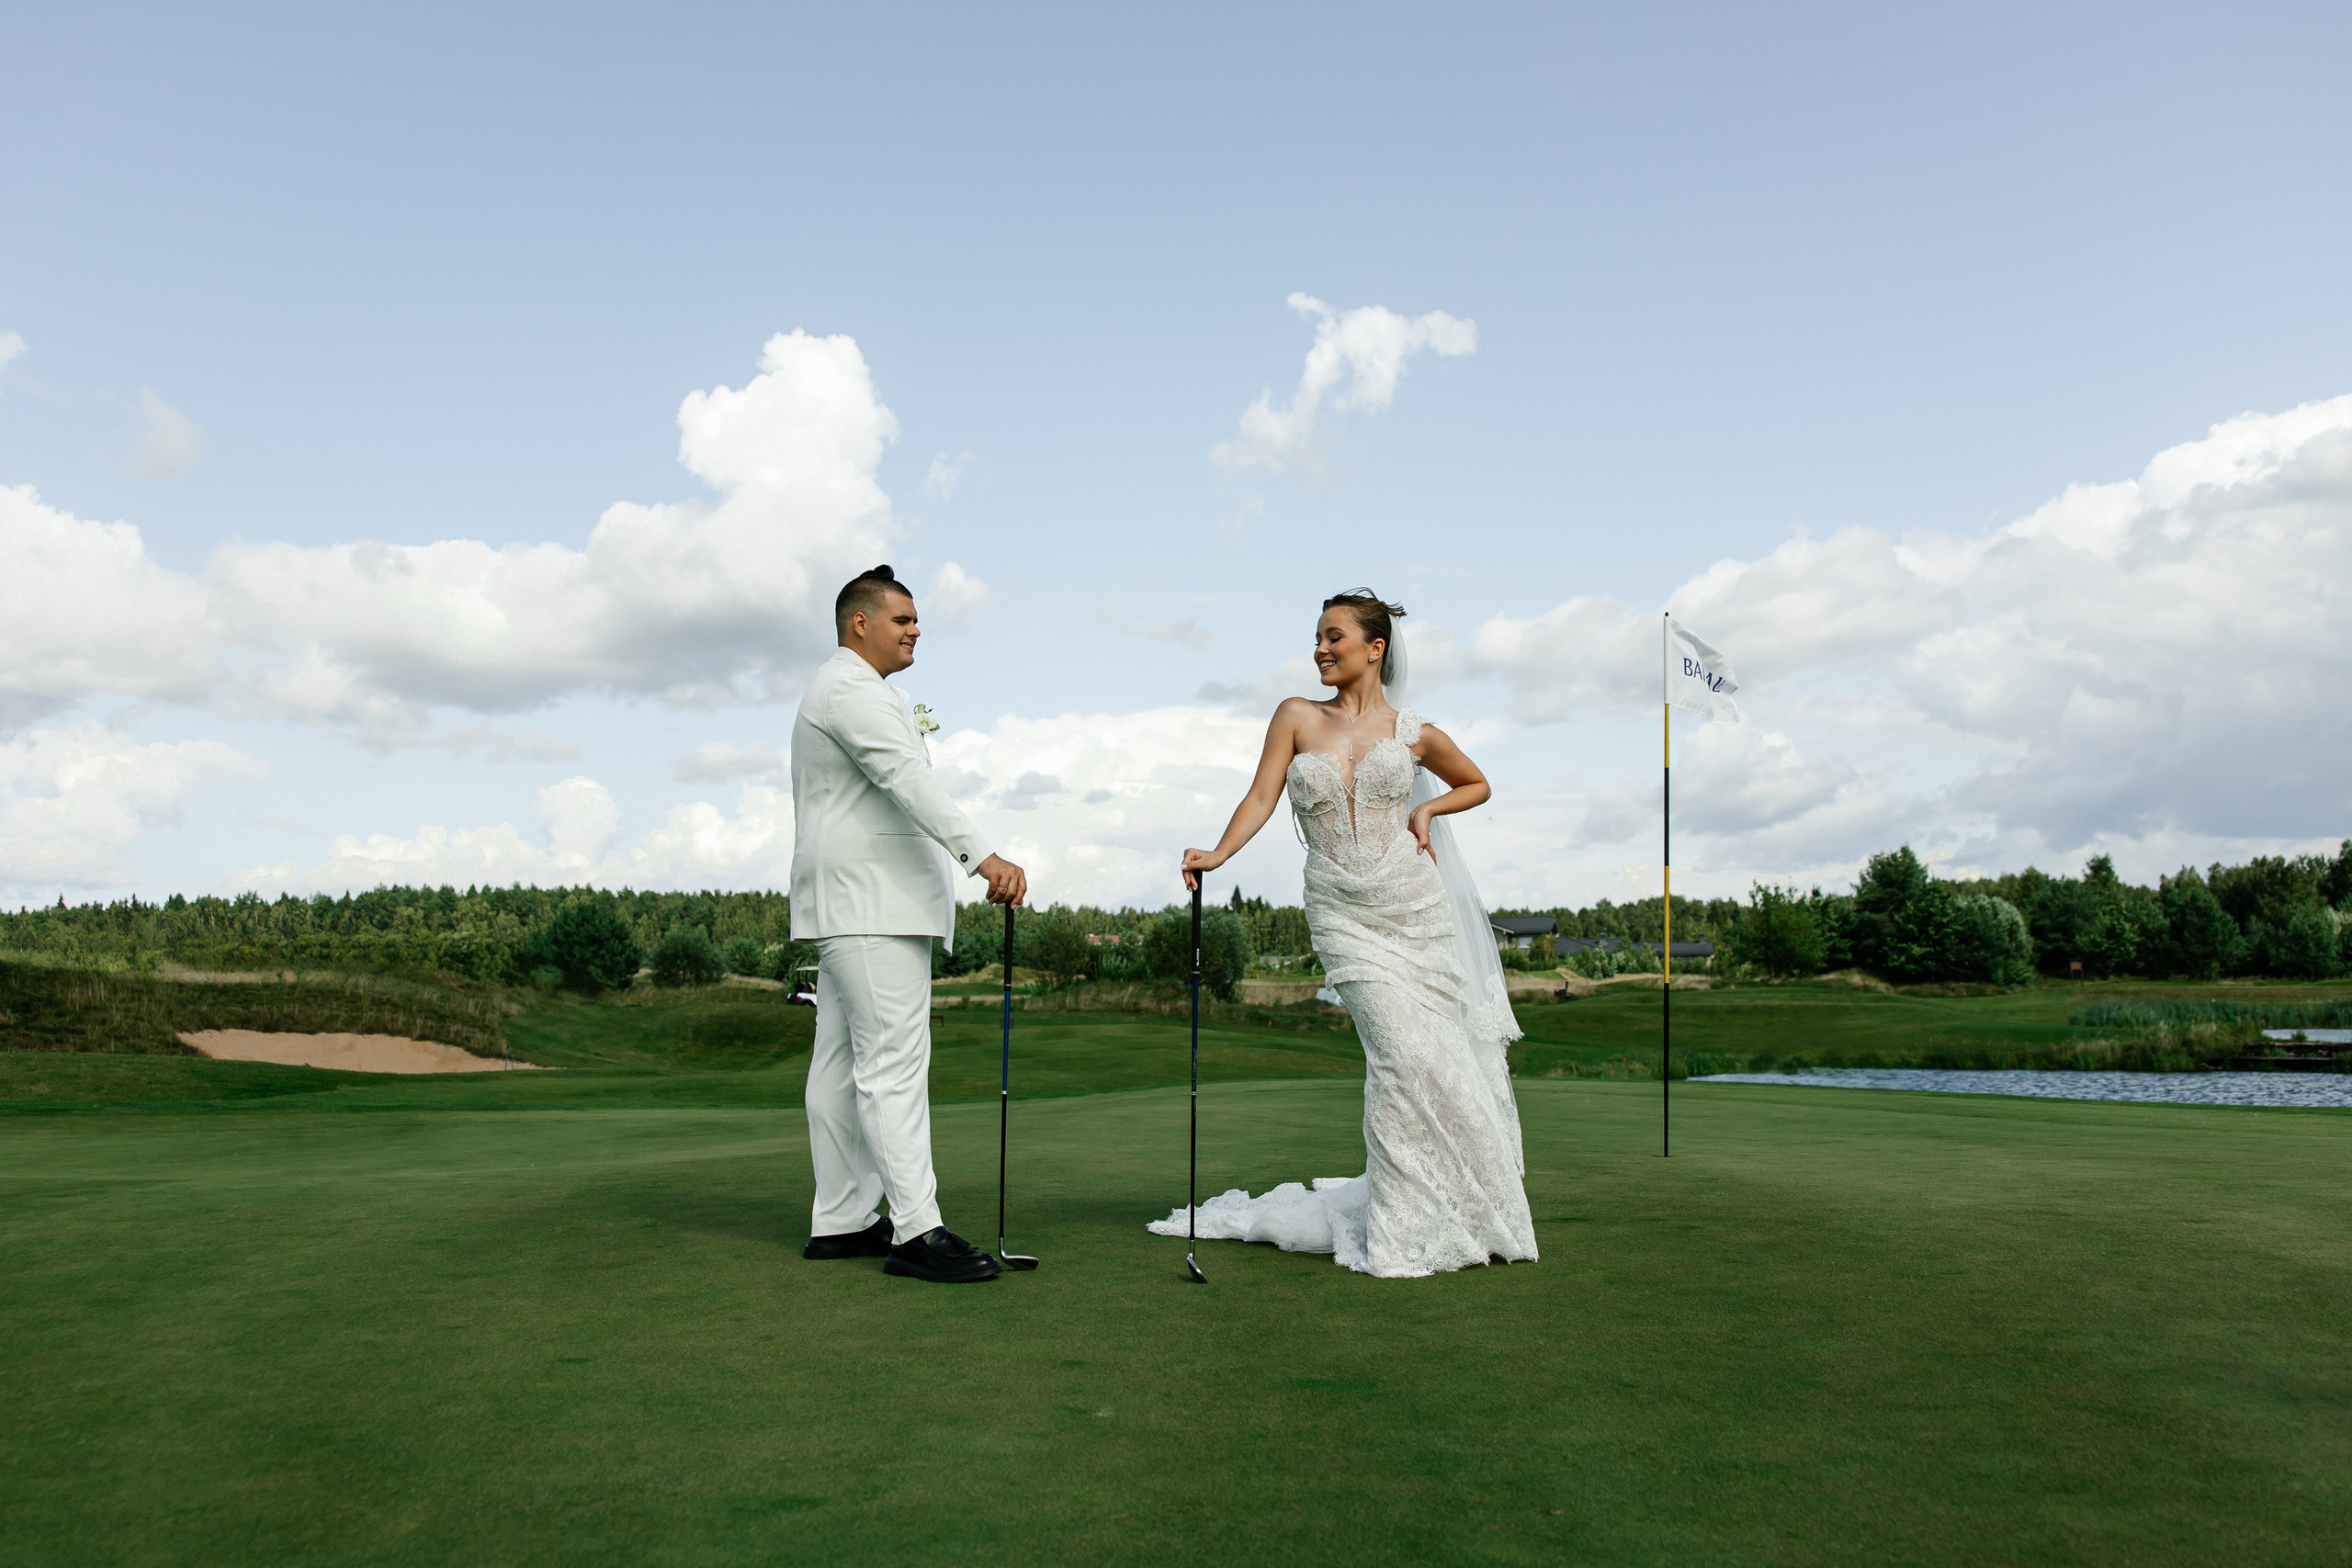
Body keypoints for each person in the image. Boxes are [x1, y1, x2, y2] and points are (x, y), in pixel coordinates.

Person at [1152, 590, 1536, 1277]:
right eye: (1318, 639)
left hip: (1413, 907)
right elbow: (1262, 796)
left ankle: (1466, 1210)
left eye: (1334, 637)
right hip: (1341, 910)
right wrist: (1216, 853)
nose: (1320, 649)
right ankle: (1401, 1227)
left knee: (1437, 1057)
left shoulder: (1413, 729)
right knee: (1399, 1052)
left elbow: (1475, 782)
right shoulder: (1296, 716)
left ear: (1375, 647)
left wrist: (1428, 813)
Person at [792, 565, 1029, 1284]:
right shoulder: (850, 690)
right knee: (892, 1065)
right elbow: (906, 778)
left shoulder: (850, 690)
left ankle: (840, 1219)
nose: (916, 629)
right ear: (859, 623)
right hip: (871, 906)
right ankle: (917, 1229)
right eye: (903, 619)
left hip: (853, 904)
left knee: (839, 1064)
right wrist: (980, 856)